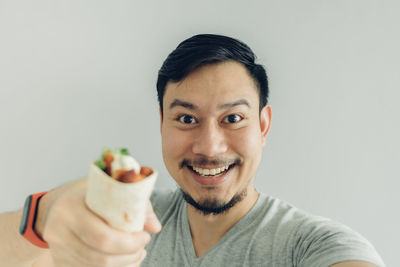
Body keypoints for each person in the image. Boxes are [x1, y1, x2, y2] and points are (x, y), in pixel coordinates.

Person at [0, 34, 385, 267]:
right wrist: (43, 216)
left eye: (232, 118)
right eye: (186, 119)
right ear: (162, 122)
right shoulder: (128, 220)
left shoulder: (313, 245)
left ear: (263, 125)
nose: (209, 146)